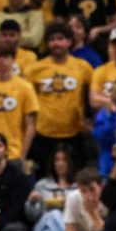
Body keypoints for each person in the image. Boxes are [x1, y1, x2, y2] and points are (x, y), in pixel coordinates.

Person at [26, 22, 93, 171]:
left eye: (60, 38)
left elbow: (94, 93)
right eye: (52, 40)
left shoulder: (83, 67)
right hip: (43, 133)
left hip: (74, 132)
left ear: (69, 41)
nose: (56, 43)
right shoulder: (35, 69)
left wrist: (91, 119)